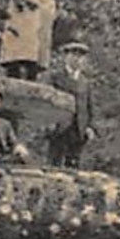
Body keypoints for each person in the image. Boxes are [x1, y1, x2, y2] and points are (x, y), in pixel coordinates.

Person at [43, 40, 95, 168]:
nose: (77, 60)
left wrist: (89, 126)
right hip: (59, 125)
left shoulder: (85, 82)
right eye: (73, 55)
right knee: (54, 162)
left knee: (73, 163)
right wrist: (49, 122)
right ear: (65, 57)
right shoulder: (55, 77)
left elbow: (88, 106)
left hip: (78, 127)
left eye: (80, 56)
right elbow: (47, 101)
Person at [0, 0, 57, 82]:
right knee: (15, 50)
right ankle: (14, 72)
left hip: (39, 15)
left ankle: (31, 74)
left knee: (34, 51)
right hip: (19, 15)